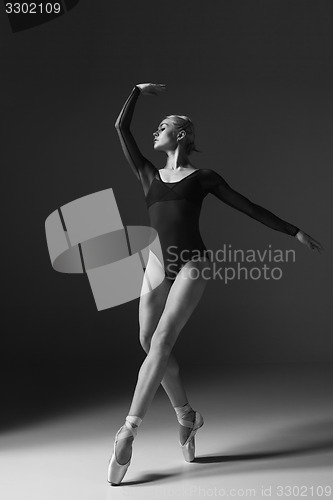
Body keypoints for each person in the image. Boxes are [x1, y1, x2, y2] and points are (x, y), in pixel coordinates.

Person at [108, 83, 323, 485]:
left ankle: (128, 430)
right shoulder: (148, 174)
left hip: (192, 262)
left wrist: (293, 232)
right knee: (146, 341)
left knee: (162, 342)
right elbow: (121, 128)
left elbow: (249, 206)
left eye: (164, 126)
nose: (156, 131)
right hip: (157, 263)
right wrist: (135, 92)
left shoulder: (203, 177)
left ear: (182, 135)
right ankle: (187, 416)